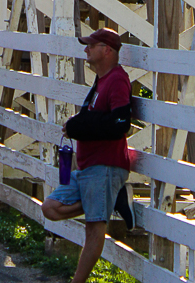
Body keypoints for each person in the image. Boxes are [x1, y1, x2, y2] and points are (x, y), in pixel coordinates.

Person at [41, 28, 134, 283]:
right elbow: (98, 118)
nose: (85, 50)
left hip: (104, 165)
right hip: (87, 166)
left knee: (94, 228)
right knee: (50, 207)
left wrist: (80, 126)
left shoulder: (116, 79)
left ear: (107, 50)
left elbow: (120, 123)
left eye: (90, 46)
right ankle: (111, 200)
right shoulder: (101, 81)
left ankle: (77, 281)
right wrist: (77, 124)